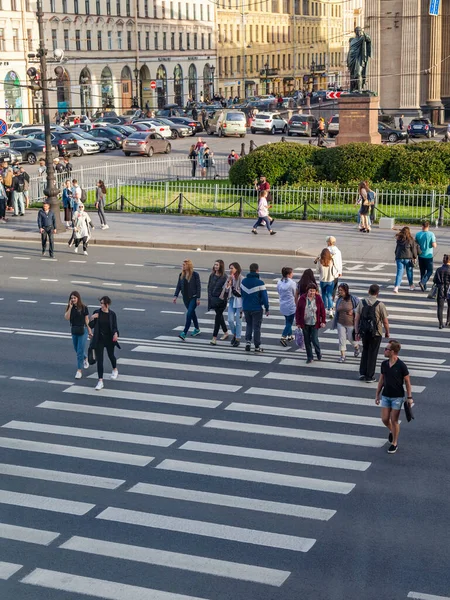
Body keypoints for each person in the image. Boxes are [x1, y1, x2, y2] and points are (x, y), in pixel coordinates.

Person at [375, 339, 413, 454]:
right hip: (386, 395)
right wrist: (377, 394)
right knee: (384, 419)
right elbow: (381, 380)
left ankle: (394, 443)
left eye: (386, 349)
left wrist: (409, 397)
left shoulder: (401, 366)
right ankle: (392, 431)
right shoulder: (384, 364)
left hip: (397, 397)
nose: (384, 350)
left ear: (393, 352)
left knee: (394, 420)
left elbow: (407, 382)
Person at [354, 284, 390, 383]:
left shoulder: (362, 302)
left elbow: (356, 318)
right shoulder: (380, 304)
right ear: (377, 293)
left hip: (364, 332)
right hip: (376, 333)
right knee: (373, 354)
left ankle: (363, 373)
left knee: (365, 351)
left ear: (368, 291)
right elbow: (385, 321)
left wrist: (357, 331)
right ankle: (370, 376)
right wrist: (387, 332)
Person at [88, 296, 120, 391]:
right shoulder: (97, 313)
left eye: (103, 303)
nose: (101, 305)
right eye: (101, 303)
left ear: (107, 304)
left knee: (111, 356)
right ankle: (100, 381)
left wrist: (115, 334)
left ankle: (115, 369)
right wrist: (92, 318)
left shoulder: (112, 314)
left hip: (109, 339)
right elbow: (91, 325)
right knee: (100, 360)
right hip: (99, 339)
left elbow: (114, 327)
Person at [241, 262, 269, 353]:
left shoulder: (243, 282)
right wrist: (267, 308)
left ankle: (248, 342)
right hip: (256, 308)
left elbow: (242, 295)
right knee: (257, 327)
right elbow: (265, 297)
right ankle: (257, 346)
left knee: (249, 325)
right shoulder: (260, 282)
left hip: (246, 308)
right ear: (257, 270)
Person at [295, 283, 326, 364]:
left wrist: (323, 321)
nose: (312, 292)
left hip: (315, 322)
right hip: (305, 323)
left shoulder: (318, 298)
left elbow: (322, 310)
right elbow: (298, 311)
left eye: (314, 291)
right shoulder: (302, 298)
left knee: (314, 339)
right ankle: (309, 357)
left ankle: (318, 352)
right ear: (307, 291)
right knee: (307, 340)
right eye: (310, 291)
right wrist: (298, 322)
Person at [64, 290, 91, 379]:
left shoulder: (83, 307)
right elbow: (67, 318)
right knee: (76, 348)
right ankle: (85, 358)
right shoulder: (70, 308)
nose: (73, 299)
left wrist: (90, 331)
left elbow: (87, 320)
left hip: (83, 330)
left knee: (79, 351)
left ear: (78, 298)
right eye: (71, 298)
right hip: (74, 330)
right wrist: (70, 307)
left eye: (74, 298)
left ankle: (79, 370)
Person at [331, 283, 360, 363]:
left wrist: (353, 311)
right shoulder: (339, 299)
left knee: (351, 338)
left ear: (346, 291)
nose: (340, 292)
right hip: (340, 322)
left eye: (342, 290)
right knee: (341, 339)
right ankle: (342, 356)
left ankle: (356, 347)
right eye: (339, 290)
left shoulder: (353, 298)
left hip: (351, 323)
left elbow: (360, 307)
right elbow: (337, 310)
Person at [173, 259, 201, 341]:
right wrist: (175, 296)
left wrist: (198, 298)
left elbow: (198, 286)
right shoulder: (181, 274)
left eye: (184, 265)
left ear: (189, 265)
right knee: (192, 313)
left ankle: (184, 333)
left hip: (194, 297)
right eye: (183, 265)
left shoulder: (195, 275)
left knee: (189, 313)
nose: (183, 266)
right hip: (185, 298)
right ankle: (197, 329)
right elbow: (178, 286)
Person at [220, 262, 243, 347]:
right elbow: (225, 291)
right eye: (229, 268)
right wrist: (228, 285)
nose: (230, 270)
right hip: (232, 300)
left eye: (232, 268)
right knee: (230, 319)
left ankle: (237, 338)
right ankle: (235, 334)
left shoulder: (241, 279)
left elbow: (243, 292)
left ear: (237, 269)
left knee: (238, 320)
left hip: (240, 301)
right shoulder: (229, 278)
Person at [207, 259, 228, 345]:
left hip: (221, 301)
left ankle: (214, 338)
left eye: (217, 265)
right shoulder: (212, 275)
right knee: (220, 317)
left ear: (221, 266)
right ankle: (226, 332)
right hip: (213, 300)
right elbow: (209, 287)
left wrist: (221, 298)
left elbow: (226, 290)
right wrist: (210, 298)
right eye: (215, 264)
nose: (215, 266)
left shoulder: (224, 277)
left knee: (217, 318)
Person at [393, 226, 418, 293]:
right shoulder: (411, 240)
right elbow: (414, 250)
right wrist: (415, 257)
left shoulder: (399, 240)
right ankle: (411, 285)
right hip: (408, 258)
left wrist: (396, 256)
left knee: (399, 272)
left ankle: (396, 287)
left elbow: (396, 249)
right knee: (409, 272)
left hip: (399, 258)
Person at [347, 26, 372, 92]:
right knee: (352, 74)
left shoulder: (362, 38)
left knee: (358, 73)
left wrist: (364, 34)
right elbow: (350, 49)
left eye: (359, 30)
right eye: (357, 30)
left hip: (358, 57)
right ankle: (352, 89)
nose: (358, 32)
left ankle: (359, 89)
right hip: (351, 57)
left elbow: (369, 39)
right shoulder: (352, 39)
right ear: (355, 32)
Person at [277, 267, 297, 346]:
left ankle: (290, 336)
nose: (293, 274)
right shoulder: (292, 283)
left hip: (282, 303)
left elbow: (278, 291)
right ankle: (283, 337)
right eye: (292, 273)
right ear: (288, 275)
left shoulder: (279, 282)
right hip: (290, 304)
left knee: (287, 320)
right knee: (290, 322)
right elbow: (295, 293)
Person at [415, 220, 437, 292]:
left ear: (422, 226)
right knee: (430, 271)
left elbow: (416, 244)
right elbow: (434, 245)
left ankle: (423, 287)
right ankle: (423, 282)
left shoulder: (418, 234)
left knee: (422, 271)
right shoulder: (431, 234)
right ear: (428, 226)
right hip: (428, 255)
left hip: (420, 255)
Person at [317, 248, 339, 318]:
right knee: (329, 295)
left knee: (323, 294)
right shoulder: (331, 261)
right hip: (330, 280)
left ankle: (325, 308)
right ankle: (331, 311)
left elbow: (317, 271)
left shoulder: (320, 261)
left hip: (323, 280)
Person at [433, 254, 450, 328]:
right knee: (449, 306)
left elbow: (434, 280)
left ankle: (440, 323)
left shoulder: (439, 269)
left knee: (440, 307)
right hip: (449, 289)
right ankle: (448, 321)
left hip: (440, 289)